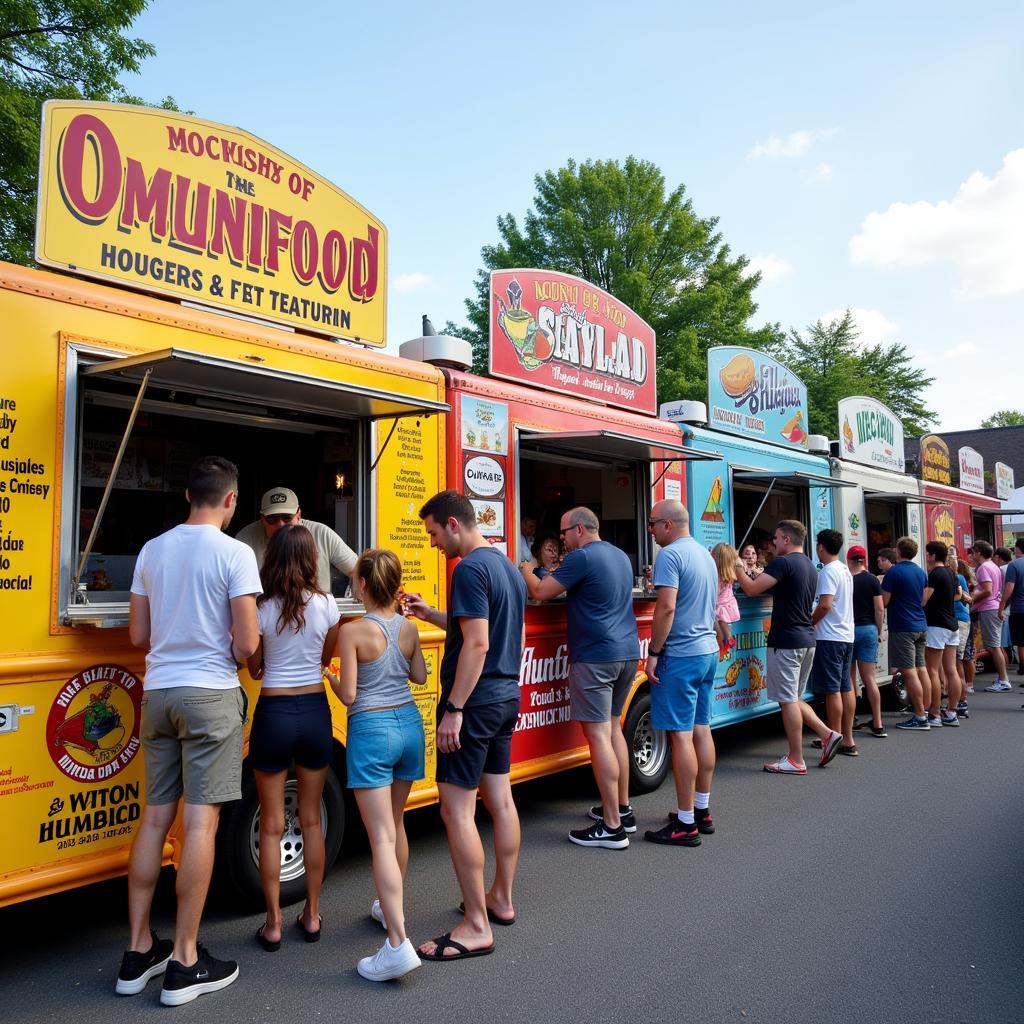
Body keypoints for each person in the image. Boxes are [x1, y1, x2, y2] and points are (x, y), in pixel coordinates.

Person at [120, 456, 261, 1005]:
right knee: (199, 826)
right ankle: (184, 959)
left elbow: (138, 633)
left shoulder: (153, 550)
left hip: (157, 694)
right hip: (210, 696)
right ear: (230, 501)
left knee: (155, 820)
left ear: (186, 496)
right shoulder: (236, 553)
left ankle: (136, 953)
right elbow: (247, 644)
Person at [405, 490, 526, 961]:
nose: (434, 543)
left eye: (434, 533)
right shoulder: (507, 566)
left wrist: (454, 706)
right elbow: (488, 631)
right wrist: (430, 613)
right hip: (505, 695)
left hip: (473, 703)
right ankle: (500, 898)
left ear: (454, 524)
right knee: (500, 800)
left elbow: (476, 645)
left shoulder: (470, 569)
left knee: (456, 811)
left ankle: (476, 925)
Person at [245, 526, 341, 954]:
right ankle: (313, 914)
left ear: (272, 559)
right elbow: (326, 658)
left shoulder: (261, 608)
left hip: (274, 714)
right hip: (315, 712)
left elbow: (254, 667)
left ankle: (273, 923)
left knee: (270, 824)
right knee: (311, 819)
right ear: (310, 560)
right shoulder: (326, 605)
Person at [520, 506, 640, 848]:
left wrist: (527, 569)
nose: (560, 539)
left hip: (595, 655)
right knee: (613, 728)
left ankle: (612, 827)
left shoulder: (582, 557)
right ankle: (622, 808)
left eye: (563, 532)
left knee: (598, 736)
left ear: (579, 530)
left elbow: (541, 591)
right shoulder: (619, 555)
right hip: (627, 652)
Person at [332, 549, 426, 981]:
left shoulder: (354, 633)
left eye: (355, 579)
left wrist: (332, 680)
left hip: (371, 730)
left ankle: (397, 942)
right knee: (396, 824)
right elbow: (420, 677)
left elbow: (349, 696)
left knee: (381, 838)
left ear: (366, 585)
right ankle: (391, 905)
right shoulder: (407, 627)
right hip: (409, 725)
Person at [734, 519, 842, 774]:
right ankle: (828, 734)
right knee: (793, 697)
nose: (772, 542)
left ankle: (796, 759)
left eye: (776, 538)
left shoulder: (783, 563)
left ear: (785, 539)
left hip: (786, 641)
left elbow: (750, 589)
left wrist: (737, 566)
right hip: (806, 639)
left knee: (787, 701)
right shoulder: (808, 564)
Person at [642, 501, 720, 845]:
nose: (650, 530)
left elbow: (667, 606)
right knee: (701, 729)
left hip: (682, 654)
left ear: (668, 525)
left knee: (681, 736)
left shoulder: (670, 556)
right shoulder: (705, 554)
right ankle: (701, 809)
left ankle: (685, 822)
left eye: (653, 523)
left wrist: (654, 652)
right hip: (707, 652)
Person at [236, 486, 357, 595]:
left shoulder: (322, 534)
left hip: (315, 615)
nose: (280, 524)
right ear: (262, 519)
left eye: (287, 517)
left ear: (298, 514)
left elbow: (358, 570)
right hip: (264, 616)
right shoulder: (245, 540)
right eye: (272, 519)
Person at [809, 530, 857, 755]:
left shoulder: (828, 571)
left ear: (820, 547)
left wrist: (810, 622)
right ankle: (847, 738)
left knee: (832, 691)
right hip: (846, 635)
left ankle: (833, 737)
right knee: (845, 687)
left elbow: (825, 604)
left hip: (830, 636)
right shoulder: (845, 569)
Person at [882, 536, 931, 731]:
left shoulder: (894, 573)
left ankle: (919, 717)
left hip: (903, 626)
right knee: (922, 669)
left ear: (898, 551)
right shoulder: (921, 572)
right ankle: (926, 712)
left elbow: (884, 601)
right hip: (920, 623)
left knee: (909, 673)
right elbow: (923, 599)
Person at [847, 545, 886, 737]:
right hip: (868, 629)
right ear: (864, 560)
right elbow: (879, 609)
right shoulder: (872, 579)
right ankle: (877, 723)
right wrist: (878, 630)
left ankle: (850, 719)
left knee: (850, 677)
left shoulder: (846, 580)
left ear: (848, 559)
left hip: (848, 630)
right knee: (870, 679)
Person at [922, 540, 961, 727]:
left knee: (933, 670)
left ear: (932, 556)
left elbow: (923, 600)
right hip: (952, 624)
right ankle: (952, 712)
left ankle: (935, 713)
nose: (926, 557)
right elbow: (957, 595)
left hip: (936, 625)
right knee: (951, 670)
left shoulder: (934, 574)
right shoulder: (952, 573)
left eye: (927, 554)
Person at [971, 541, 1011, 692]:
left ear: (979, 553)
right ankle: (1003, 678)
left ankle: (1003, 680)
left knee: (994, 647)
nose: (972, 555)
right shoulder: (994, 566)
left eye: (973, 552)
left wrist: (972, 598)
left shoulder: (983, 568)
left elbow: (988, 590)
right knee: (996, 646)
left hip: (989, 609)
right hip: (993, 608)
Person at [951, 553, 973, 718]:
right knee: (956, 663)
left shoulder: (957, 578)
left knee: (956, 663)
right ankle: (959, 701)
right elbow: (967, 598)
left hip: (958, 621)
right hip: (959, 621)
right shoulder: (958, 578)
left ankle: (962, 702)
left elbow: (965, 598)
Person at [999, 539, 1024, 682]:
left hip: (1019, 610)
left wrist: (1001, 606)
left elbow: (1009, 589)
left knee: (1021, 642)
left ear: (1017, 549)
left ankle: (1023, 667)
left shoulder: (1014, 565)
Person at [711, 543, 741, 654]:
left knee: (721, 621)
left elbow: (713, 597)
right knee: (724, 623)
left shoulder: (717, 578)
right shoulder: (729, 575)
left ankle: (726, 639)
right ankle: (728, 638)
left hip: (721, 605)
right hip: (728, 603)